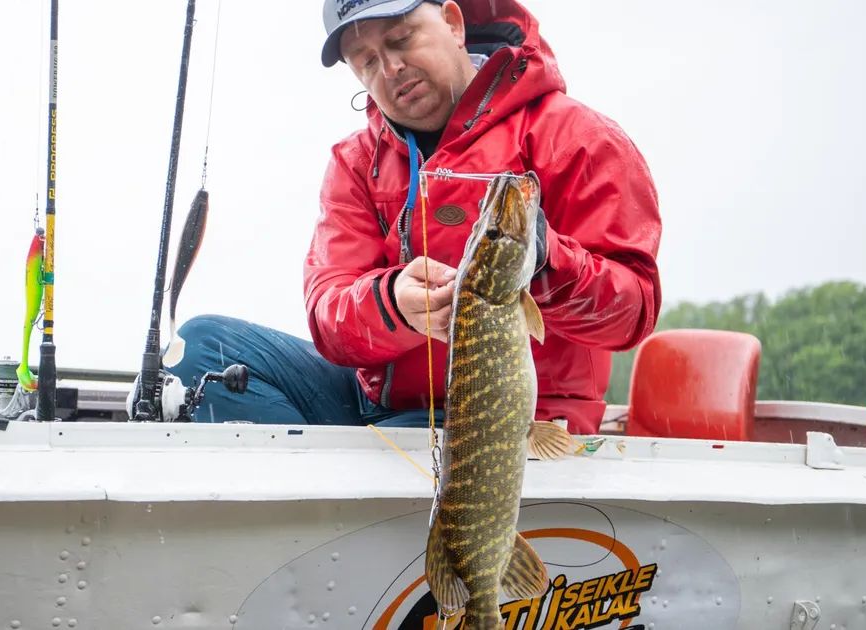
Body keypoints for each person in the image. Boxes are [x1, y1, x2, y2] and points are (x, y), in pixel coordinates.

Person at [163, 0, 662, 435]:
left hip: (513, 416)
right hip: (377, 404)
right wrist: (392, 306)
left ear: (454, 23)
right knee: (200, 348)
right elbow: (329, 312)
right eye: (367, 62)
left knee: (388, 448)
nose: (391, 68)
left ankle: (348, 494)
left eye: (401, 39)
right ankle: (327, 501)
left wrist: (545, 260)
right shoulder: (355, 161)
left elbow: (632, 312)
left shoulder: (576, 137)